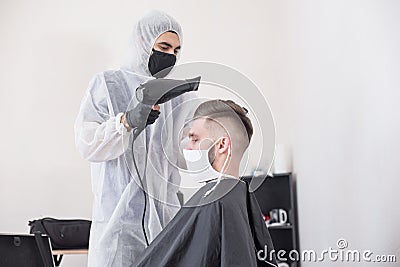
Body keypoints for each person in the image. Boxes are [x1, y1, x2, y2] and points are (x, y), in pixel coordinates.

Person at [74, 10, 197, 266]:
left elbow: (188, 154)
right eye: (164, 46)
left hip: (165, 225)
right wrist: (126, 122)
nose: (170, 55)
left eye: (176, 50)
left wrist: (209, 133)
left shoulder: (179, 98)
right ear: (142, 42)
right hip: (117, 231)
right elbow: (87, 144)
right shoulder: (108, 85)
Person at [134, 100, 278, 267]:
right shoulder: (236, 195)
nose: (186, 149)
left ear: (222, 145)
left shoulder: (219, 202)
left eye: (194, 140)